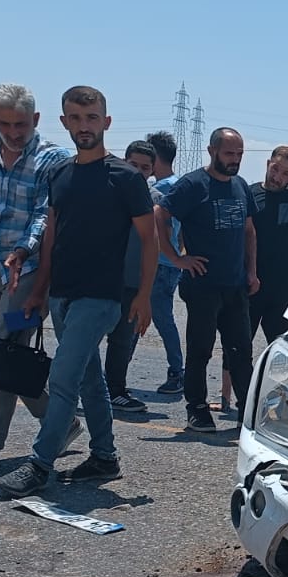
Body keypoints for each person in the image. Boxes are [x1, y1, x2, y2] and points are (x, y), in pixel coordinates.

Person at [0, 86, 157, 497]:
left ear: (106, 122)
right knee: (89, 379)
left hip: (101, 297)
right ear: (64, 122)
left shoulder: (125, 177)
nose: (84, 126)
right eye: (76, 118)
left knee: (63, 378)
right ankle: (104, 457)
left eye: (92, 118)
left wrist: (144, 296)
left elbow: (149, 239)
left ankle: (39, 464)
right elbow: (52, 235)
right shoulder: (60, 174)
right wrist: (40, 291)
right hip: (62, 295)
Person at [0, 83, 77, 477]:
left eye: (20, 124)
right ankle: (60, 422)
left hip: (28, 273)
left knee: (3, 353)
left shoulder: (52, 160)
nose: (13, 133)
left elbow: (44, 214)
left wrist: (23, 251)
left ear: (35, 119)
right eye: (4, 124)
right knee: (1, 357)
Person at [156, 127, 258, 432]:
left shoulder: (240, 186)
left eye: (239, 154)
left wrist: (252, 271)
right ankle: (197, 409)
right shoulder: (193, 184)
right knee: (200, 350)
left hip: (235, 285)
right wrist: (176, 258)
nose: (235, 159)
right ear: (212, 151)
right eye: (229, 153)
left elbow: (249, 231)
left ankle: (247, 413)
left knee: (241, 351)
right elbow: (159, 214)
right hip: (202, 285)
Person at [217, 145, 288, 409]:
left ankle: (285, 403)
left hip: (282, 284)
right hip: (249, 281)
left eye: (286, 173)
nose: (278, 176)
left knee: (284, 347)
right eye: (276, 168)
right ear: (268, 164)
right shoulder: (248, 193)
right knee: (237, 343)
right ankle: (225, 398)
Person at [101, 140, 165, 413]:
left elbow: (159, 242)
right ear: (124, 162)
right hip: (101, 279)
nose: (138, 172)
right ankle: (77, 388)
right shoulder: (105, 190)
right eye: (133, 165)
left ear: (152, 171)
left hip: (133, 282)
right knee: (86, 338)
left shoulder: (155, 201)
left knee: (123, 340)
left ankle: (116, 391)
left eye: (145, 168)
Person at [145, 131, 186, 395]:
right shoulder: (178, 184)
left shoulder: (160, 189)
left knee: (160, 318)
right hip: (169, 262)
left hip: (159, 262)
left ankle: (177, 372)